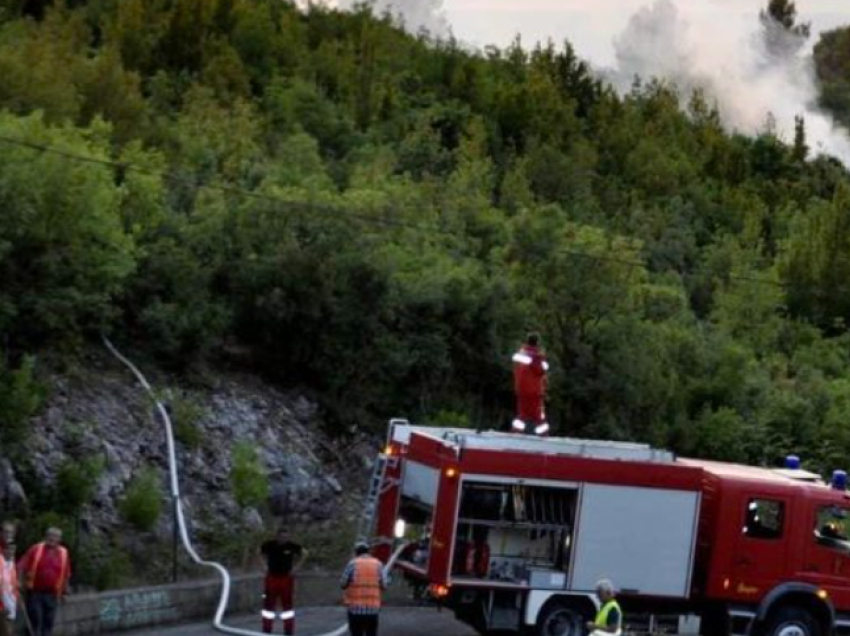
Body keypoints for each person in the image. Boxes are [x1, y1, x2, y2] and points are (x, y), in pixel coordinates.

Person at [18, 527, 71, 636]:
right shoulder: (36, 549)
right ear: (45, 536)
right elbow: (21, 566)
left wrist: (65, 591)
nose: (52, 538)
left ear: (59, 539)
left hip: (52, 594)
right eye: (50, 535)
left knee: (49, 622)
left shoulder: (64, 553)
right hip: (35, 592)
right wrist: (19, 583)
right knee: (35, 618)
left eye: (55, 536)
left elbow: (66, 574)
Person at [260, 528, 306, 635]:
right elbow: (258, 552)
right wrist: (263, 565)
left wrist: (297, 567)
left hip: (286, 578)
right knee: (268, 604)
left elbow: (305, 553)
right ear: (277, 536)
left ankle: (288, 631)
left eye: (286, 537)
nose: (284, 539)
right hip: (272, 578)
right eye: (281, 537)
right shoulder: (269, 545)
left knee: (287, 605)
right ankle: (266, 630)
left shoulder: (292, 546)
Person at [340, 543, 387, 636]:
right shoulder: (378, 564)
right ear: (368, 552)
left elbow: (342, 584)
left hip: (355, 610)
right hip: (373, 610)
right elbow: (384, 586)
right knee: (371, 633)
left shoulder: (352, 564)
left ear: (356, 552)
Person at [512, 333, 550, 436]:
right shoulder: (537, 357)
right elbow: (542, 370)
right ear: (537, 343)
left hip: (521, 390)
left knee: (522, 414)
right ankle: (543, 437)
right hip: (534, 392)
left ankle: (515, 434)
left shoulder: (520, 354)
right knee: (539, 417)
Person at [0, 542, 18, 636]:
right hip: (2, 603)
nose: (11, 552)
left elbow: (12, 583)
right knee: (6, 630)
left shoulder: (11, 562)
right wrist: (2, 605)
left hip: (11, 601)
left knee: (9, 628)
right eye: (9, 549)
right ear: (3, 550)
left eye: (13, 549)